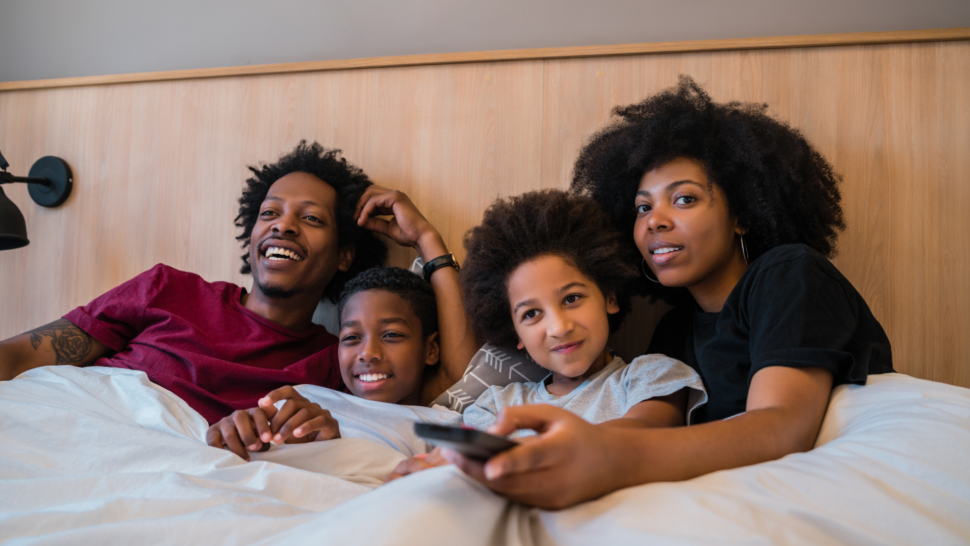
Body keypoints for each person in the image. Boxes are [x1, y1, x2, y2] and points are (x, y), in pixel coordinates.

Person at [440, 77, 895, 509]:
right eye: (642, 207)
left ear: (744, 214)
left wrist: (604, 455)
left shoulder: (789, 273)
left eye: (684, 199)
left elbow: (781, 429)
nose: (654, 220)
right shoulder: (675, 332)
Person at [0, 141, 475, 427]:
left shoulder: (340, 360)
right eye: (269, 213)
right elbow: (20, 356)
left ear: (345, 253)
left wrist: (428, 242)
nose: (282, 226)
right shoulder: (167, 289)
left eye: (310, 218)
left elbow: (457, 380)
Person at [386, 190, 705, 481]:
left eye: (571, 298)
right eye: (531, 314)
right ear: (516, 333)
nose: (559, 327)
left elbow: (643, 435)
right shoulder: (497, 405)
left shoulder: (652, 376)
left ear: (610, 298)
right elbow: (469, 464)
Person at [206, 266, 475, 460]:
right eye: (351, 337)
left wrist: (333, 450)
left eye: (391, 335)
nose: (367, 353)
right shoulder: (303, 398)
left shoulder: (443, 427)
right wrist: (234, 430)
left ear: (431, 349)